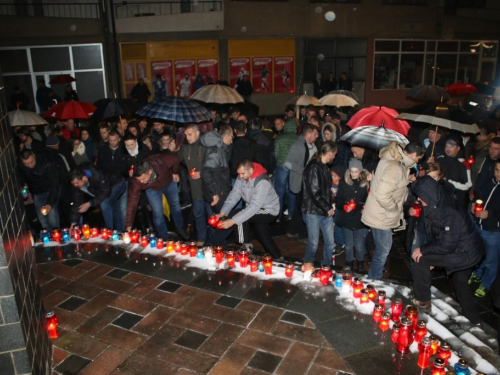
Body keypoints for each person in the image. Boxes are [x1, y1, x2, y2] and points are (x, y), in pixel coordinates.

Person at [411, 176, 484, 325]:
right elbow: (435, 233)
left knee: (420, 258)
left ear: (428, 194)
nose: (418, 199)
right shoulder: (435, 204)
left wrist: (425, 250)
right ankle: (474, 320)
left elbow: (446, 245)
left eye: (421, 195)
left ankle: (423, 301)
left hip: (464, 253)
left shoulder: (448, 212)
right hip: (464, 250)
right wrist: (432, 256)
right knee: (460, 282)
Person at [361, 141, 425, 280]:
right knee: (383, 252)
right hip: (382, 215)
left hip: (379, 213)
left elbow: (391, 183)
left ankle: (373, 278)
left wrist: (406, 179)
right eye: (418, 158)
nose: (417, 161)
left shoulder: (394, 161)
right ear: (413, 154)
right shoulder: (394, 166)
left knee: (381, 250)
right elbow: (382, 194)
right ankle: (373, 280)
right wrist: (394, 208)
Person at [211, 159, 281, 259]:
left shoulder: (262, 182)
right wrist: (222, 212)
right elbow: (234, 195)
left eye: (243, 173)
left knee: (239, 216)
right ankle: (277, 257)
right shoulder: (242, 177)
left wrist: (232, 221)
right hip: (256, 208)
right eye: (239, 174)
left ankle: (246, 247)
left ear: (251, 170)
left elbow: (254, 207)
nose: (240, 176)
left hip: (269, 210)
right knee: (262, 235)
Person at [126, 156, 189, 240]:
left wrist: (175, 172)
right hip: (152, 190)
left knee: (175, 205)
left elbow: (175, 159)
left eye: (143, 178)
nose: (141, 182)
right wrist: (129, 224)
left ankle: (180, 227)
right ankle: (163, 236)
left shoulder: (160, 161)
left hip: (169, 183)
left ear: (150, 171)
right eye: (139, 179)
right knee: (157, 212)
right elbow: (132, 202)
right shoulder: (137, 181)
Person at [302, 141, 337, 265]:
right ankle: (307, 264)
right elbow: (314, 193)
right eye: (334, 154)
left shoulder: (324, 167)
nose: (335, 157)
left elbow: (324, 191)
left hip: (324, 210)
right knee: (313, 243)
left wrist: (331, 203)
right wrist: (327, 207)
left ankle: (326, 266)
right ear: (329, 153)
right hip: (313, 211)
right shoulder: (313, 167)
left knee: (330, 242)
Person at [468, 160, 500, 297]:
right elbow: (479, 195)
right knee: (480, 253)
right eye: (497, 170)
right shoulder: (489, 181)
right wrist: (473, 203)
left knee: (491, 260)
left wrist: (490, 214)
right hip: (478, 224)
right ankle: (478, 273)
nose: (499, 174)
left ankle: (486, 283)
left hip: (493, 231)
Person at [336, 158, 369, 273]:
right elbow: (338, 199)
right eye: (352, 171)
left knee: (359, 244)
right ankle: (349, 263)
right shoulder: (343, 182)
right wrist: (344, 206)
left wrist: (366, 207)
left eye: (356, 172)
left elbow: (369, 199)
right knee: (349, 244)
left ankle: (360, 264)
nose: (354, 174)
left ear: (360, 171)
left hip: (360, 218)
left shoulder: (365, 184)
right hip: (347, 218)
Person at [178, 124, 210, 245]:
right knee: (198, 215)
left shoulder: (207, 147)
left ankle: (214, 239)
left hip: (209, 188)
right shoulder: (186, 149)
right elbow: (175, 159)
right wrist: (170, 149)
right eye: (186, 135)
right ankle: (201, 239)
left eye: (190, 134)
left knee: (212, 216)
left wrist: (202, 173)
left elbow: (216, 165)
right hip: (196, 189)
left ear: (197, 133)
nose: (187, 138)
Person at [69, 166, 128, 232]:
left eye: (77, 183)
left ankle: (109, 231)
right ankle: (119, 232)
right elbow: (77, 202)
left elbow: (105, 192)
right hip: (105, 189)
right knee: (115, 209)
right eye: (73, 184)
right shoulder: (76, 186)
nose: (75, 185)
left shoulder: (96, 175)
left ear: (84, 178)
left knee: (104, 204)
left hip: (117, 183)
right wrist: (73, 223)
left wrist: (89, 203)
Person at [19, 150, 60, 231]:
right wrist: (24, 188)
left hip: (50, 191)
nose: (29, 165)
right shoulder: (22, 167)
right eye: (26, 164)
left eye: (31, 162)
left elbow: (55, 184)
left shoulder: (46, 163)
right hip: (37, 193)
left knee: (52, 218)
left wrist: (50, 203)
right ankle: (47, 238)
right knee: (42, 220)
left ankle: (56, 237)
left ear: (34, 156)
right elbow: (22, 178)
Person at [200, 126, 233, 213]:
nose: (232, 140)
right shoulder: (216, 152)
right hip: (217, 193)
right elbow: (206, 172)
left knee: (214, 216)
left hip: (218, 190)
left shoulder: (218, 148)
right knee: (219, 219)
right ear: (226, 137)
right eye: (231, 137)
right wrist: (214, 193)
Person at [273, 117, 298, 221]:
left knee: (279, 191)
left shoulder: (279, 138)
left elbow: (276, 153)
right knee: (291, 191)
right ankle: (291, 214)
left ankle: (277, 215)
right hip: (294, 167)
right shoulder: (298, 138)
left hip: (281, 166)